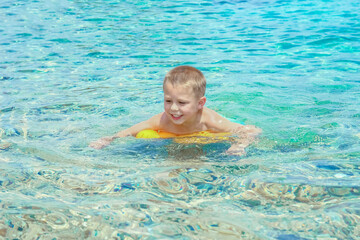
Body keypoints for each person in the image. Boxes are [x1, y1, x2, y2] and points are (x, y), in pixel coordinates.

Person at [89, 66, 261, 155]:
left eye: (182, 103)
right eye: (168, 101)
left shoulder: (209, 120)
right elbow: (130, 131)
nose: (173, 108)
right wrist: (108, 139)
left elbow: (253, 130)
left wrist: (239, 145)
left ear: (200, 103)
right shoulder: (163, 120)